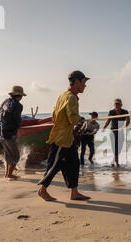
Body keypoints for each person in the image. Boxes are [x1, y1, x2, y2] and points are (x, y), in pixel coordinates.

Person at [37, 70, 91, 202]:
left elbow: (55, 115)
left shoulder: (63, 95)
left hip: (68, 137)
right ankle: (42, 190)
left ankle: (74, 192)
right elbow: (73, 120)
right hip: (61, 138)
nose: (85, 85)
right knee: (54, 165)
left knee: (74, 163)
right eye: (84, 82)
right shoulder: (71, 97)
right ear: (77, 82)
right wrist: (81, 119)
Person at [0, 86, 25, 180]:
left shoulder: (5, 102)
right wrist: (18, 127)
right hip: (9, 133)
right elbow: (17, 120)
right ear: (20, 96)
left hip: (2, 132)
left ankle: (7, 174)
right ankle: (9, 174)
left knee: (8, 154)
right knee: (16, 156)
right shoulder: (17, 105)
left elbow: (2, 115)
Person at [102, 99, 130, 168]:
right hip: (113, 132)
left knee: (119, 148)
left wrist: (123, 127)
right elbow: (108, 121)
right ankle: (117, 163)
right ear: (114, 105)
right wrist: (104, 128)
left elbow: (128, 121)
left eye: (118, 104)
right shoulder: (111, 112)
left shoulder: (125, 112)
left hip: (121, 132)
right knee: (115, 148)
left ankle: (113, 161)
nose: (117, 105)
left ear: (121, 105)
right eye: (115, 104)